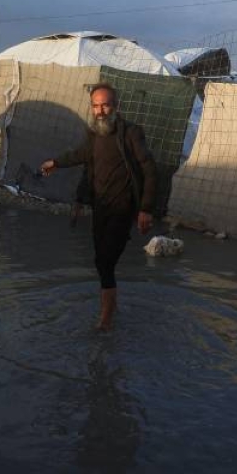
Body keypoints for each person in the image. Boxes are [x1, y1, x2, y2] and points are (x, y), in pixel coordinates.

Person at [41, 82, 157, 331]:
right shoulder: (95, 133)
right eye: (95, 106)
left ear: (116, 106)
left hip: (122, 209)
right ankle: (110, 303)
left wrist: (145, 209)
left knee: (105, 261)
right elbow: (82, 154)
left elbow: (149, 169)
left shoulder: (130, 133)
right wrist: (56, 162)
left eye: (105, 105)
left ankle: (106, 317)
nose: (100, 111)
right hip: (100, 207)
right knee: (100, 260)